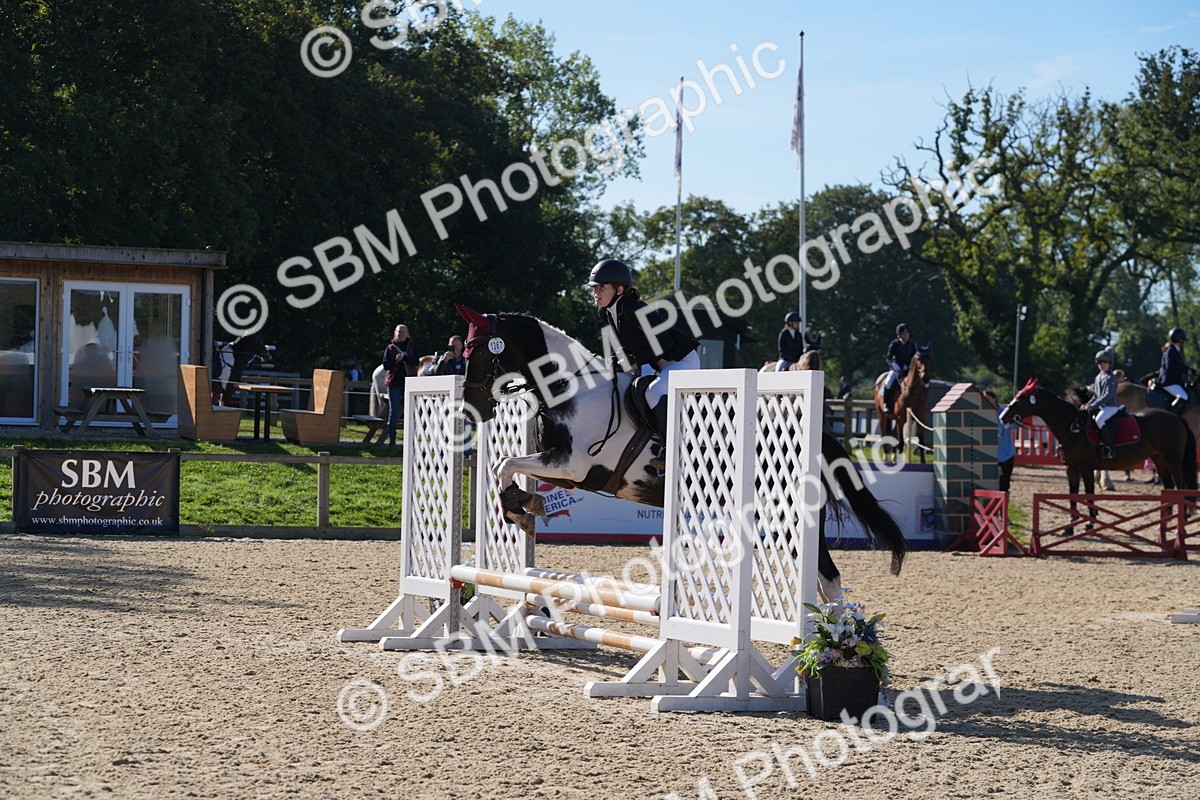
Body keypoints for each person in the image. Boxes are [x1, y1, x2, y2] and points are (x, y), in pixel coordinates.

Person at [586, 258, 699, 443]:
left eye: (601, 287)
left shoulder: (633, 309)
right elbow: (628, 346)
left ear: (619, 289)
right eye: (594, 287)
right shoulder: (606, 312)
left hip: (681, 360)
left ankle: (670, 445)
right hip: (657, 364)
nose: (595, 292)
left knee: (652, 393)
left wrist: (633, 359)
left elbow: (665, 344)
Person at [1076, 348, 1120, 460]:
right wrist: (1087, 404)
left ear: (1109, 363)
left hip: (1111, 407)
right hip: (1101, 407)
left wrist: (1092, 406)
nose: (1102, 365)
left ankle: (1110, 448)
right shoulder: (1098, 377)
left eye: (1104, 363)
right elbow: (1096, 395)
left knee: (1099, 420)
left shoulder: (1111, 378)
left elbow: (1107, 395)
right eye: (1100, 363)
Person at [382, 324, 419, 445]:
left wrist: (405, 357)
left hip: (409, 383)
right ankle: (392, 440)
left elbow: (416, 362)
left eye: (403, 331)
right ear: (395, 333)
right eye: (399, 331)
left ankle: (409, 440)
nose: (401, 333)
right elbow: (386, 365)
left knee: (410, 412)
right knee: (394, 412)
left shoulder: (413, 346)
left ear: (407, 334)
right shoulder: (390, 348)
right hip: (394, 383)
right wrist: (396, 361)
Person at [984, 391, 1016, 492]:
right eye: (984, 399)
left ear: (994, 399)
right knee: (990, 484)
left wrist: (1009, 424)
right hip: (990, 456)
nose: (986, 401)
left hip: (1006, 454)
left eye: (988, 399)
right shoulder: (983, 414)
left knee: (1004, 484)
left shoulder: (1004, 412)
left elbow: (1016, 425)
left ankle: (1004, 502)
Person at [1157, 327, 1191, 412]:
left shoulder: (1174, 350)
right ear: (1180, 340)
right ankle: (1170, 415)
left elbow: (1181, 366)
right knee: (1183, 396)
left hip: (1172, 381)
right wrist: (1186, 371)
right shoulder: (1170, 351)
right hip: (1169, 382)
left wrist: (1192, 371)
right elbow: (1171, 367)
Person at [883, 323, 917, 406]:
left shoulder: (912, 345)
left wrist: (909, 365)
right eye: (904, 333)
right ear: (900, 335)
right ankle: (886, 403)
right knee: (888, 383)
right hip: (897, 368)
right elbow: (888, 358)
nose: (906, 335)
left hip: (908, 369)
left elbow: (914, 358)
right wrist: (893, 364)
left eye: (907, 333)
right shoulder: (894, 344)